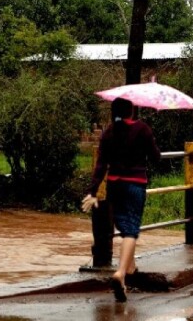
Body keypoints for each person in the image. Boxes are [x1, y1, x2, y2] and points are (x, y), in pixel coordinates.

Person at [81, 97, 161, 302]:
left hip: (114, 185)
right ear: (131, 111)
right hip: (135, 184)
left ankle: (130, 268)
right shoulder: (142, 129)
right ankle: (121, 273)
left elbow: (101, 165)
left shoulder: (109, 132)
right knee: (131, 230)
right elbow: (156, 157)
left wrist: (92, 191)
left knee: (124, 227)